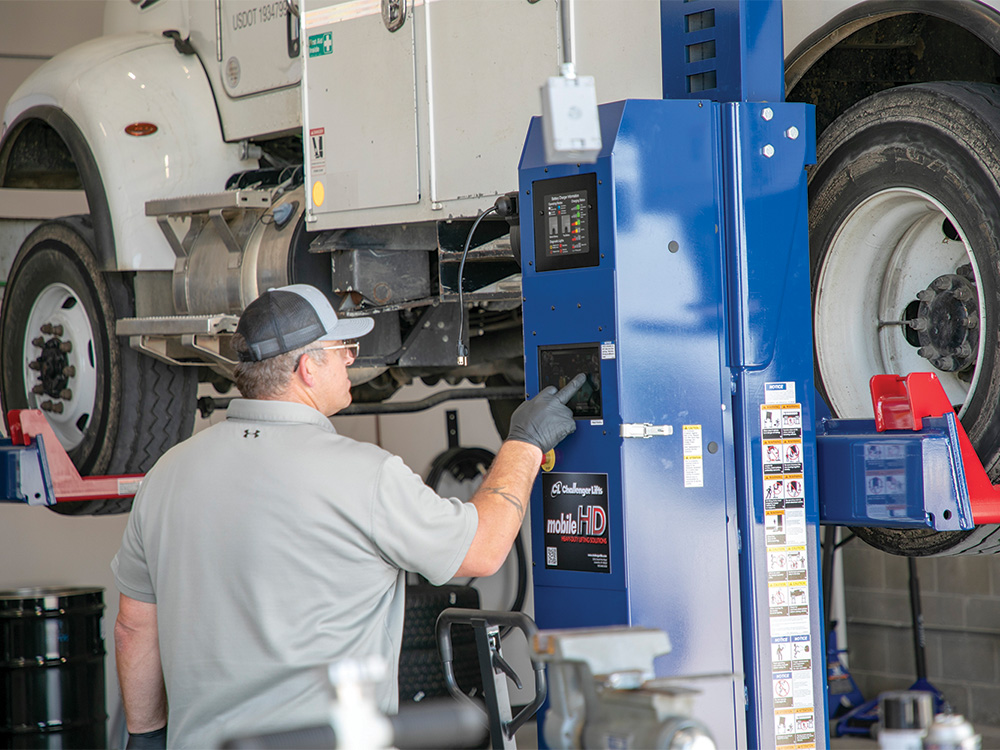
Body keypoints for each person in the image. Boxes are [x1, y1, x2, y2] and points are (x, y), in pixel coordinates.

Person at [111, 284, 584, 749]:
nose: (352, 360)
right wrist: (524, 442)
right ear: (306, 368)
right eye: (343, 349)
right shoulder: (365, 475)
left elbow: (134, 624)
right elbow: (481, 549)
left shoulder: (166, 473)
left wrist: (147, 735)